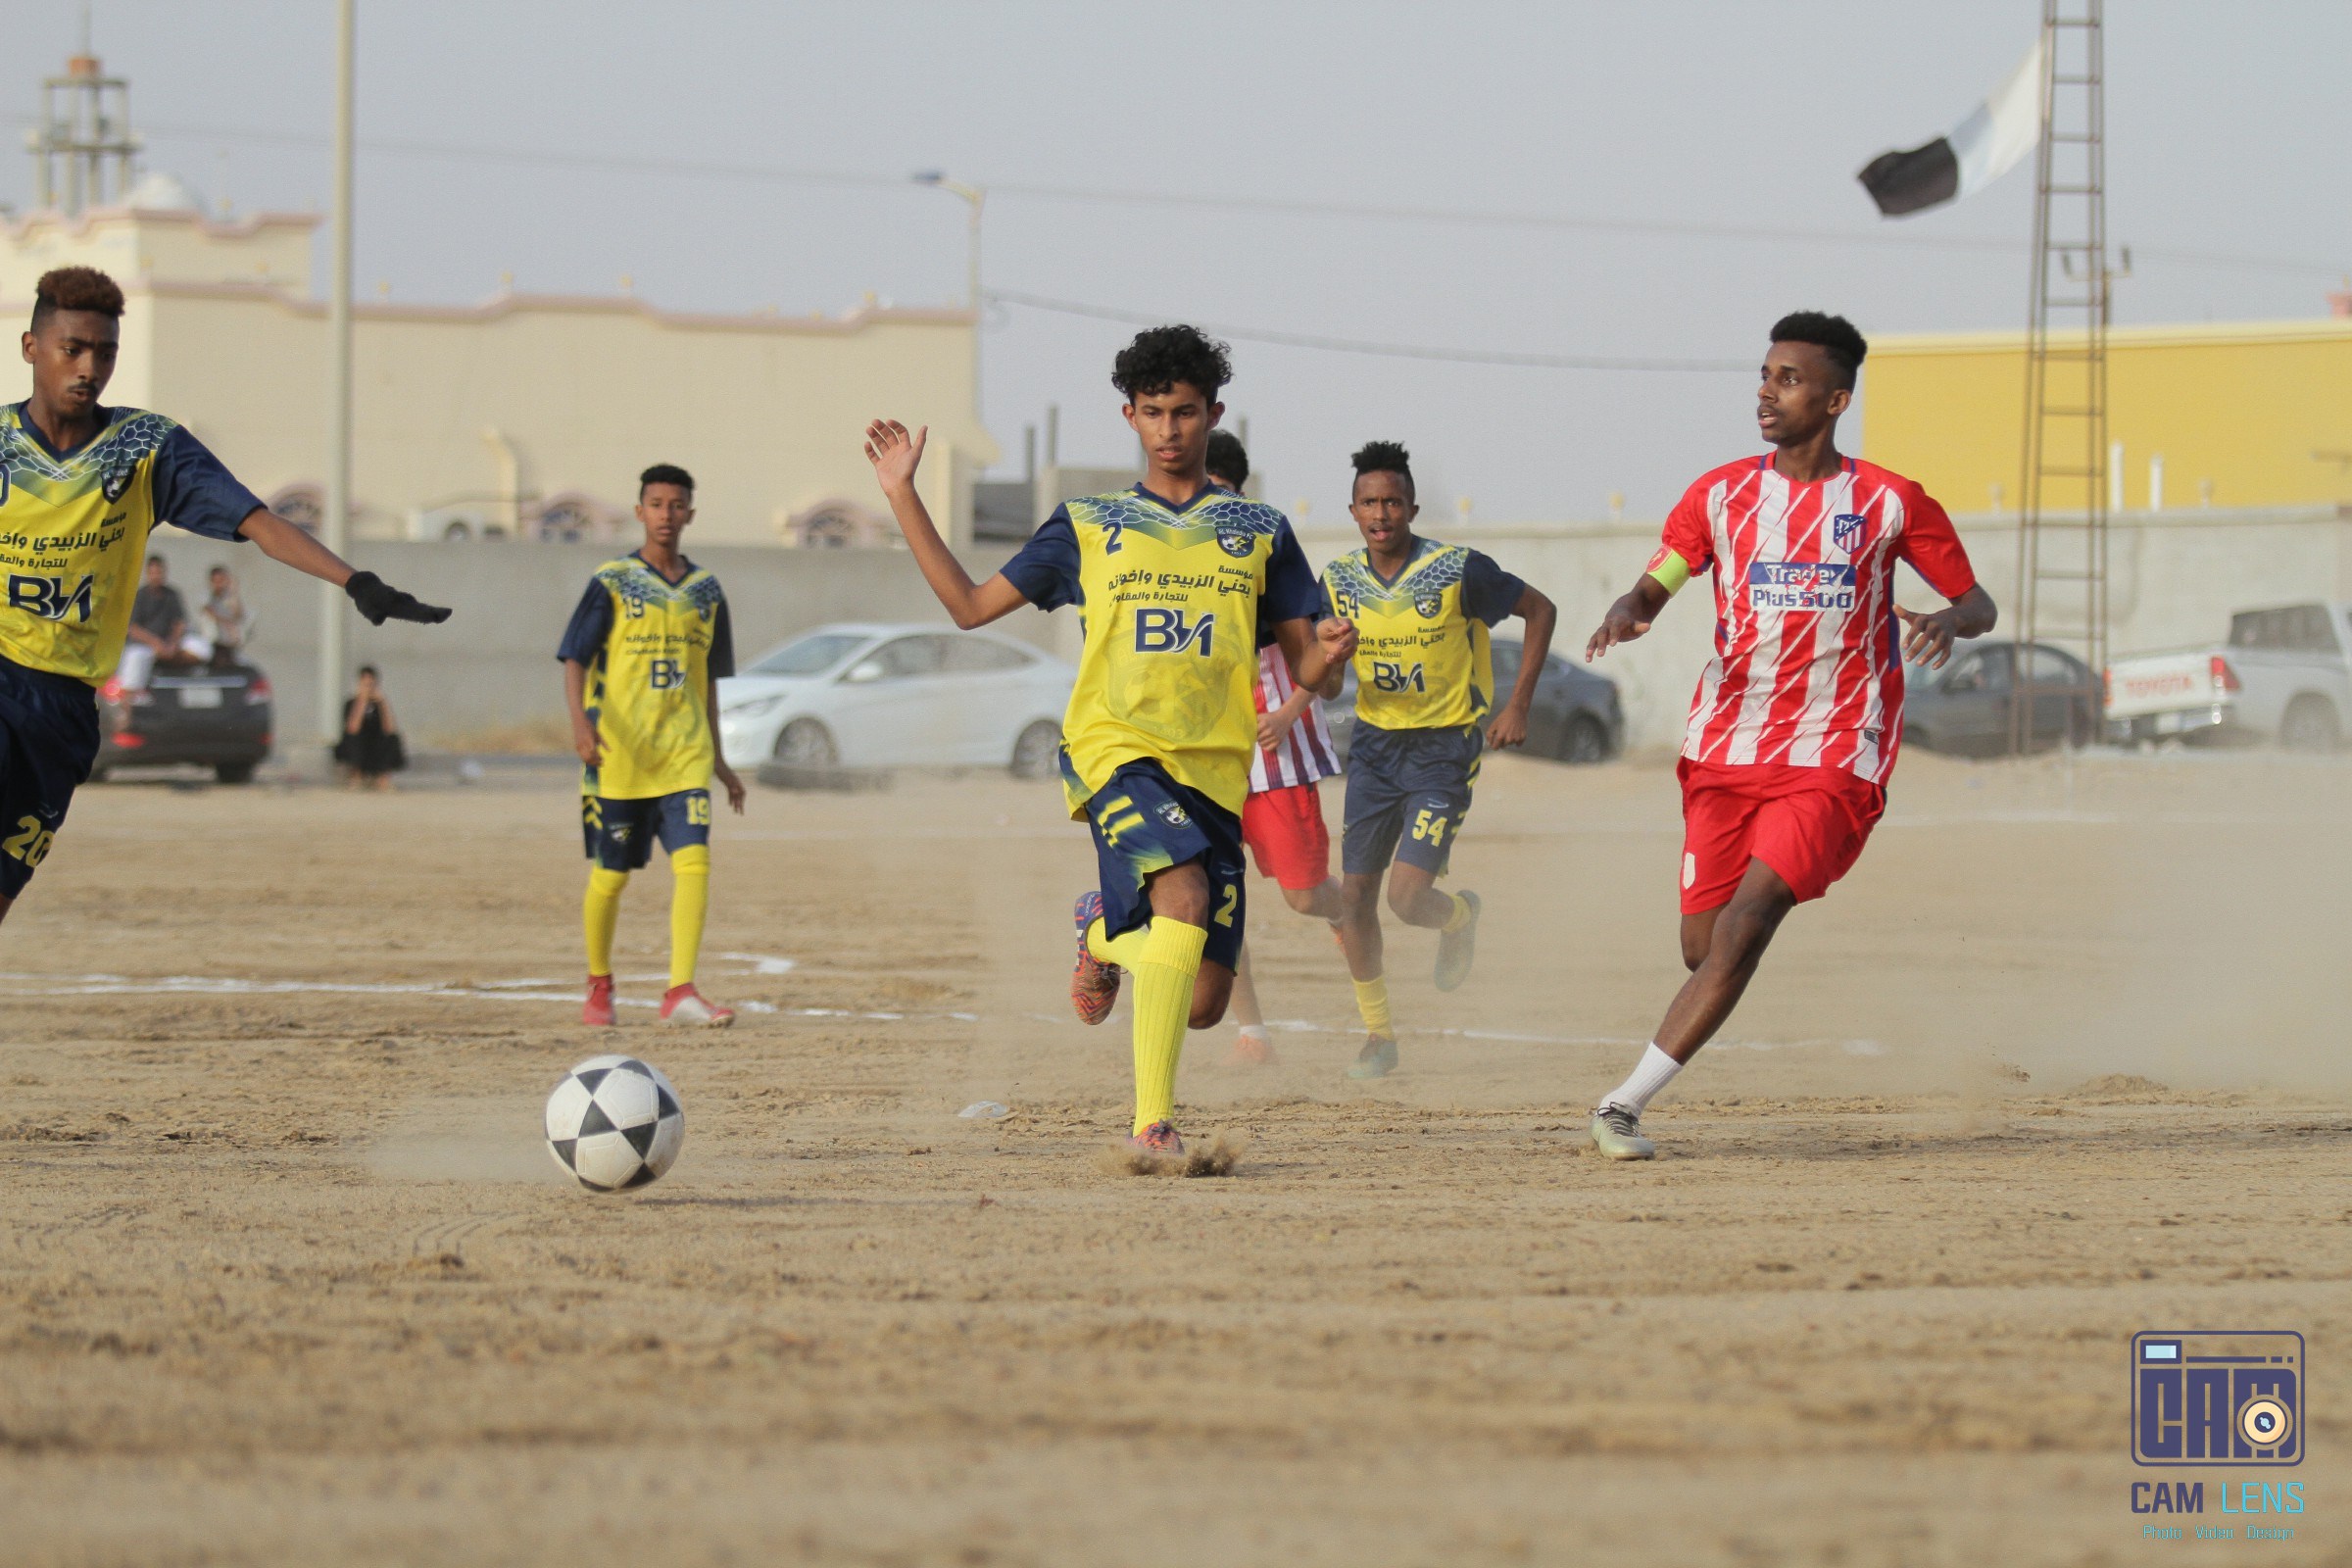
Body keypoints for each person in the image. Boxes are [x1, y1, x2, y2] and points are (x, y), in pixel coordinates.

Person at [863, 325, 1350, 1157]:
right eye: (1153, 412)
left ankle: (1099, 930)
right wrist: (902, 494)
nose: (1169, 429)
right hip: (1116, 752)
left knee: (1204, 1001)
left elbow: (1311, 668)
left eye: (1185, 411)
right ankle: (1152, 1126)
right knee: (1183, 899)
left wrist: (1330, 657)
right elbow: (970, 607)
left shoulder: (1260, 529)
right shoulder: (1090, 523)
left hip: (1216, 772)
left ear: (1214, 414)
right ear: (1130, 416)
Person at [1581, 311, 1996, 1160]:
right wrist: (1633, 605)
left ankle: (1621, 1106)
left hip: (1837, 748)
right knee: (1704, 947)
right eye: (1766, 376)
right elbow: (1667, 572)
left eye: (1790, 380)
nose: (1767, 393)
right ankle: (1713, 985)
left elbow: (1978, 602)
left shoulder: (1890, 501)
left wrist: (1951, 620)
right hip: (1727, 744)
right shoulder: (1720, 495)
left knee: (1747, 923)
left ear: (1836, 400)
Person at [0, 266, 449, 930]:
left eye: (105, 352)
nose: (89, 368)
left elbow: (258, 521)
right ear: (31, 348)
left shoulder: (146, 448)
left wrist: (356, 581)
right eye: (73, 349)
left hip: (63, 710)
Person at [1318, 441, 1557, 1079]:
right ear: (1353, 511)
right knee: (1354, 900)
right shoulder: (1337, 581)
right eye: (1370, 503)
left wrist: (1517, 706)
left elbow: (1540, 609)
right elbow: (1322, 676)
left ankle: (1459, 916)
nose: (1381, 514)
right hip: (1374, 751)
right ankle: (1379, 1036)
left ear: (1412, 508)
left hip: (1443, 751)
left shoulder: (1457, 570)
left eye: (1393, 502)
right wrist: (1328, 661)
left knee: (1404, 899)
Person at [558, 463, 748, 1029]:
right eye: (657, 504)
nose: (667, 514)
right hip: (621, 754)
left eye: (677, 505)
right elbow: (574, 658)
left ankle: (680, 991)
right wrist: (581, 726)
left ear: (691, 513)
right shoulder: (613, 581)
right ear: (640, 511)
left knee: (694, 862)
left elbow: (707, 681)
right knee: (611, 876)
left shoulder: (707, 591)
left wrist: (719, 760)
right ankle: (599, 983)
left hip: (684, 753)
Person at [1203, 430, 1350, 1068]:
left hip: (1277, 757)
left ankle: (1352, 915)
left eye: (1216, 489)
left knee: (1304, 895)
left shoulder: (1268, 547)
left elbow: (1322, 655)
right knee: (1215, 898)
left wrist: (1288, 714)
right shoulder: (1173, 554)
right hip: (1206, 757)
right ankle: (1253, 1034)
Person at [117, 555, 210, 690]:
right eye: (153, 573)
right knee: (135, 659)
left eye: (159, 572)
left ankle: (176, 664)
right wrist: (157, 644)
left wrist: (172, 644)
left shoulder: (171, 594)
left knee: (201, 647)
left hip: (170, 643)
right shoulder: (139, 596)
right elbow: (133, 628)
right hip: (146, 644)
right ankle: (131, 698)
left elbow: (179, 622)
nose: (156, 576)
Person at [333, 665, 406, 790]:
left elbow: (390, 729)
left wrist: (383, 703)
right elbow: (353, 728)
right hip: (359, 745)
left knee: (392, 739)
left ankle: (383, 779)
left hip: (375, 746)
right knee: (353, 739)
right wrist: (362, 701)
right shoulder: (351, 703)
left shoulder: (380, 705)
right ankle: (356, 777)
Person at [200, 565, 247, 663]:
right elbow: (210, 613)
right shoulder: (206, 596)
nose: (219, 584)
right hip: (210, 643)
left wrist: (234, 593)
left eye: (221, 580)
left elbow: (238, 616)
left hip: (228, 643)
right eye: (216, 581)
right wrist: (228, 625)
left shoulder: (228, 598)